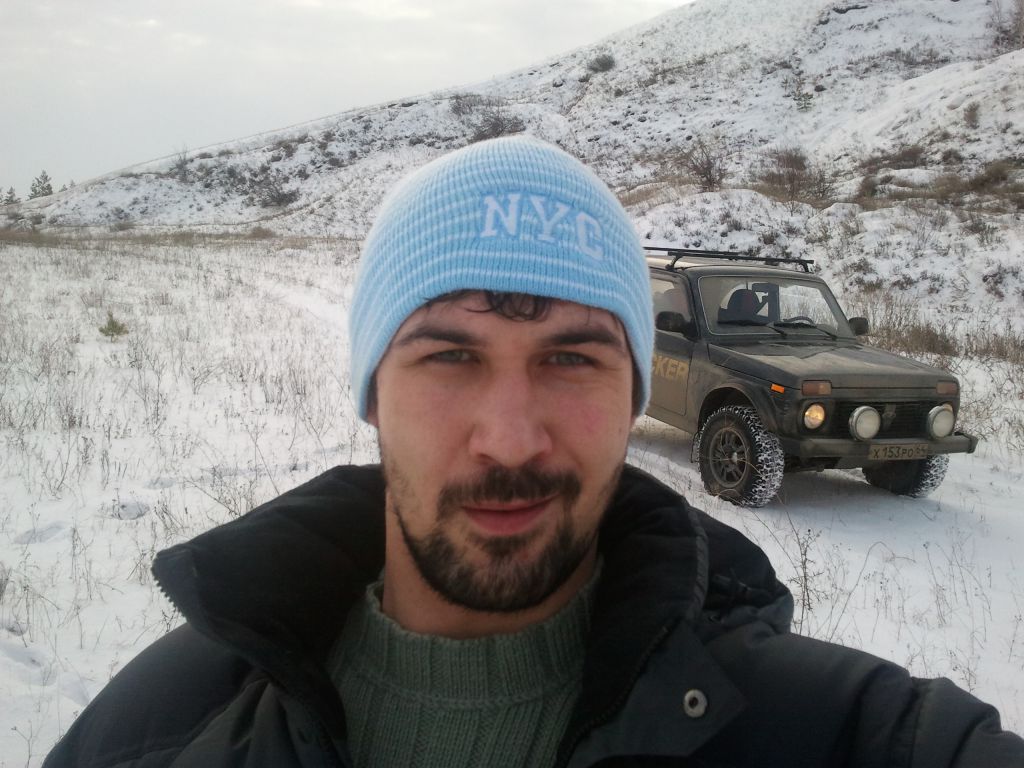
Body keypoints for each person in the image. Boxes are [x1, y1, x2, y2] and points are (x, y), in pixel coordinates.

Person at [44, 137, 1022, 767]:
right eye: (449, 356)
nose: (510, 437)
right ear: (371, 393)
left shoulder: (839, 735)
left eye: (570, 359)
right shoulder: (157, 733)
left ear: (632, 396)